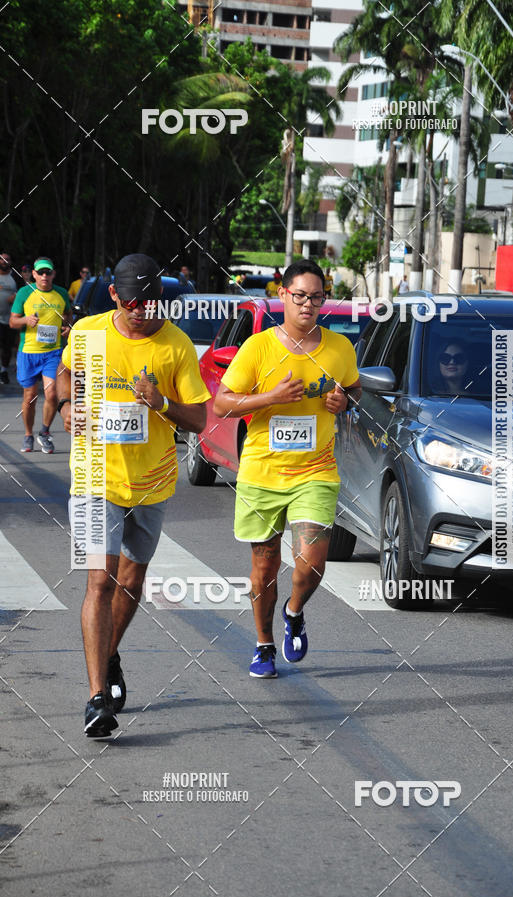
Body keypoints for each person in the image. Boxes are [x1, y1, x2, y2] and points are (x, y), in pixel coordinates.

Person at [57, 253, 210, 739]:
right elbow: (65, 372)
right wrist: (67, 403)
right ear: (115, 296)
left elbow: (199, 419)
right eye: (133, 302)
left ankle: (109, 654)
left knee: (130, 580)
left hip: (152, 482)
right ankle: (97, 698)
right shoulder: (88, 333)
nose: (143, 311)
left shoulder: (175, 345)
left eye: (151, 302)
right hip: (94, 477)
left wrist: (161, 402)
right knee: (99, 581)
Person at [214, 258, 361, 678]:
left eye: (317, 297)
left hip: (315, 471)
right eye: (300, 296)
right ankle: (263, 646)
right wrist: (270, 398)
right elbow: (222, 404)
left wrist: (344, 402)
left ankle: (293, 613)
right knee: (264, 567)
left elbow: (355, 390)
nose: (308, 305)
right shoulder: (258, 348)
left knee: (311, 564)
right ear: (282, 295)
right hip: (262, 473)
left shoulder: (339, 348)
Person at [9, 257, 71, 453]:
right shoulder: (24, 293)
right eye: (41, 272)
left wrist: (67, 327)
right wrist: (25, 320)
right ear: (34, 274)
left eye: (48, 272)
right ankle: (28, 434)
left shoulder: (61, 293)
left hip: (53, 353)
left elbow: (68, 315)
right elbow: (12, 321)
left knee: (52, 393)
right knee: (30, 397)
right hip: (28, 353)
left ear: (53, 274)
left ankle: (44, 432)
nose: (45, 276)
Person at [0, 252, 17, 384]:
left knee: (7, 348)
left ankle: (3, 371)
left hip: (9, 319)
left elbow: (23, 292)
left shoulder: (15, 276)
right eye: (2, 259)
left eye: (7, 259)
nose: (4, 261)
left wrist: (16, 297)